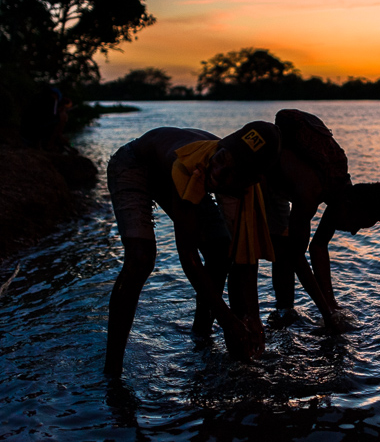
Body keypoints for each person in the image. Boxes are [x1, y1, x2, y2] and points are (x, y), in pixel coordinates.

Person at [104, 121, 280, 376]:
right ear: (219, 148)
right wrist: (229, 320)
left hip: (171, 170)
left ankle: (201, 335)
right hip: (135, 162)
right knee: (140, 260)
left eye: (228, 170)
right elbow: (188, 256)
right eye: (219, 159)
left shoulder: (246, 188)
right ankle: (112, 371)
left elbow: (246, 256)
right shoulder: (195, 167)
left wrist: (252, 318)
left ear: (248, 181)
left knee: (221, 250)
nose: (217, 171)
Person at [265, 109, 380, 329]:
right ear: (352, 206)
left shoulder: (339, 188)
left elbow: (318, 246)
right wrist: (327, 315)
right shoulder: (313, 191)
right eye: (358, 225)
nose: (353, 232)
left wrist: (331, 303)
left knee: (287, 245)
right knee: (284, 248)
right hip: (262, 178)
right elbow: (298, 256)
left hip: (284, 184)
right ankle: (280, 310)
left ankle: (284, 313)